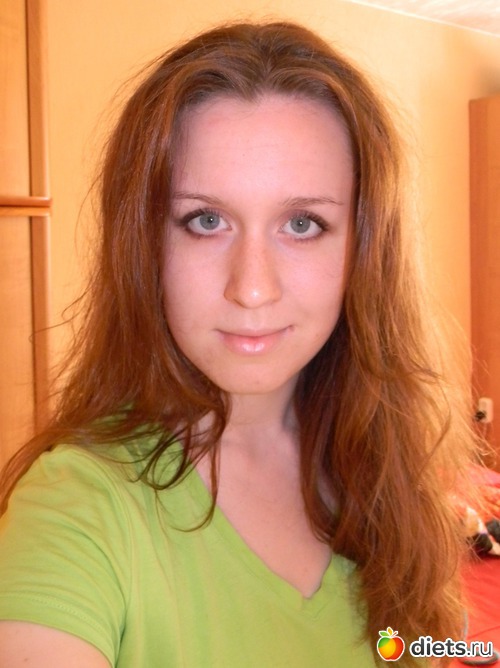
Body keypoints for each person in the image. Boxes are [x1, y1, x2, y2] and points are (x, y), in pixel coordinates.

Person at [0, 20, 474, 667]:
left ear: (366, 248)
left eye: (302, 223)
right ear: (145, 243)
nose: (251, 288)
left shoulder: (384, 475)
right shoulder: (75, 506)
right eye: (206, 220)